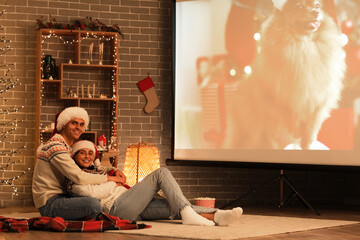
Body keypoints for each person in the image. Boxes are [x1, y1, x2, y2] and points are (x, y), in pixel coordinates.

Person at [69, 140, 244, 226]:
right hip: (116, 208)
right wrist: (113, 182)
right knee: (161, 173)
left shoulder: (99, 171)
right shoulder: (74, 177)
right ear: (74, 156)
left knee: (172, 206)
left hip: (131, 203)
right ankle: (189, 214)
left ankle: (218, 215)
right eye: (81, 153)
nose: (86, 156)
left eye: (89, 153)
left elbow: (105, 173)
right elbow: (90, 194)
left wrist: (111, 175)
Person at [32, 106, 125, 220]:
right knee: (93, 204)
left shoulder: (67, 148)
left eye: (82, 124)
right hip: (50, 203)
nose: (78, 128)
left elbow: (91, 167)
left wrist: (115, 170)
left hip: (64, 197)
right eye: (74, 123)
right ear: (64, 123)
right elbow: (79, 177)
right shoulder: (56, 147)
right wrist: (112, 179)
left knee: (95, 200)